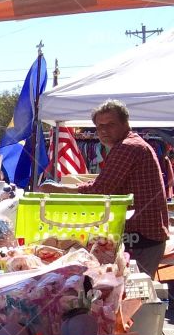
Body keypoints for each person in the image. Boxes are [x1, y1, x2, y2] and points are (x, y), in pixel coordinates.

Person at [40, 101, 169, 277]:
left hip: (142, 239)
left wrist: (59, 190)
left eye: (110, 124)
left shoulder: (127, 147)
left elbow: (100, 190)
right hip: (144, 236)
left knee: (131, 292)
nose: (103, 130)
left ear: (125, 124)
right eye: (99, 126)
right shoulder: (129, 145)